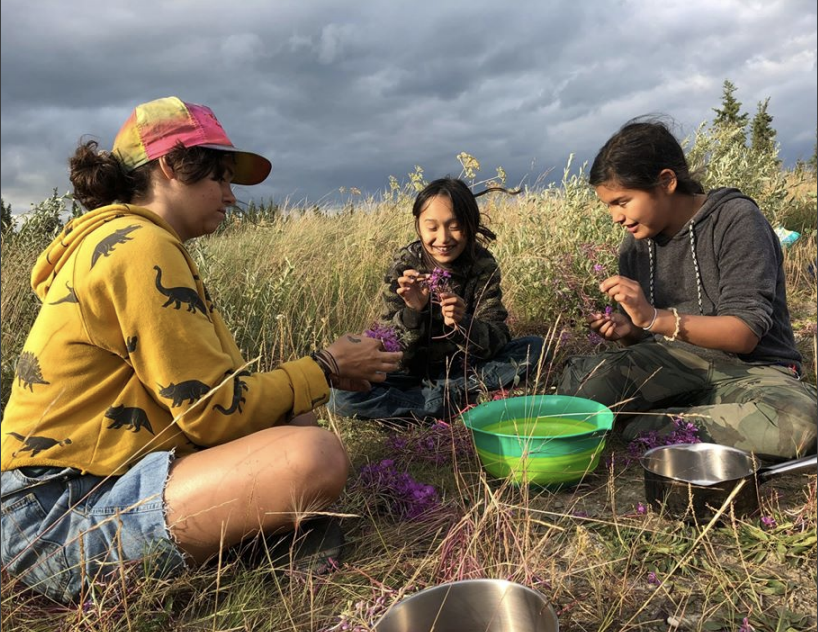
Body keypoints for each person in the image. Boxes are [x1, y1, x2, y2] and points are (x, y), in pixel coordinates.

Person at [0, 96, 403, 603]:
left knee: (294, 425)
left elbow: (218, 397)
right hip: (56, 517)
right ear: (170, 164)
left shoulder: (132, 241)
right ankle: (246, 553)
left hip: (76, 491)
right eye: (220, 178)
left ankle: (248, 545)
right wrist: (324, 367)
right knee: (313, 455)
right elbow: (214, 414)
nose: (231, 197)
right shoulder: (140, 246)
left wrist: (317, 379)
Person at [558, 116, 816, 460]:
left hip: (755, 369)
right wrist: (631, 330)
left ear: (666, 181)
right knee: (581, 384)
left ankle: (647, 428)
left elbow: (744, 334)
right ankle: (679, 425)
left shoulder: (737, 220)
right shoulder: (635, 245)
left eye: (622, 201)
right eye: (608, 205)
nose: (615, 217)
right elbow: (652, 339)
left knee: (799, 425)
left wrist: (652, 318)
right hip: (677, 364)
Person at [331, 177, 545, 423]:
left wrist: (462, 323)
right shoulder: (404, 266)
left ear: (470, 224)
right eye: (432, 227)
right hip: (409, 373)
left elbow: (497, 336)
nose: (443, 239)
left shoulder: (483, 264)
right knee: (341, 396)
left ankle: (429, 404)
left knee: (534, 347)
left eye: (454, 226)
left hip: (464, 369)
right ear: (418, 226)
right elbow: (390, 347)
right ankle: (459, 401)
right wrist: (413, 312)